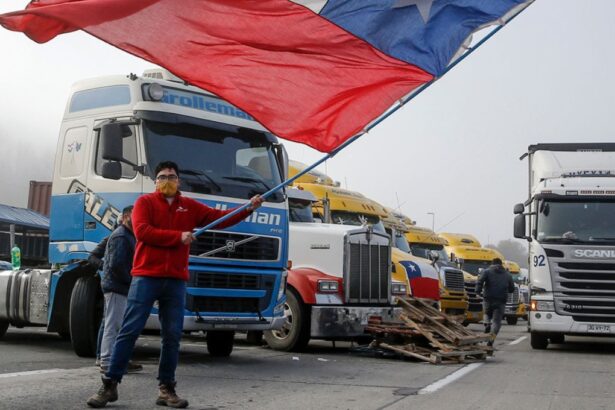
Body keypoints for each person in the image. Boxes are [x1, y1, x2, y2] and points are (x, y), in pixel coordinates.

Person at [87, 161, 263, 409]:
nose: (166, 180)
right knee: (129, 331)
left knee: (172, 336)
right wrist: (178, 237)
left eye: (171, 176)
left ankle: (166, 389)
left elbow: (219, 219)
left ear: (179, 181)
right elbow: (143, 231)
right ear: (155, 181)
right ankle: (109, 385)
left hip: (176, 280)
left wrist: (248, 208)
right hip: (146, 276)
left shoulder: (188, 206)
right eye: (162, 177)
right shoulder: (144, 204)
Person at [98, 206, 143, 374]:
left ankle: (116, 360)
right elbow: (117, 265)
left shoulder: (128, 235)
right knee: (113, 325)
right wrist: (132, 281)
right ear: (125, 217)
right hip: (117, 287)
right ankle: (107, 361)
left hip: (119, 286)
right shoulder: (122, 236)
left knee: (117, 325)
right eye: (135, 214)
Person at [476, 258, 515, 347]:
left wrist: (477, 291)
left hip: (488, 298)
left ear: (492, 263)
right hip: (500, 301)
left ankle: (487, 324)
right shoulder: (507, 275)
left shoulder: (486, 272)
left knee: (486, 313)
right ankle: (491, 340)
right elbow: (512, 289)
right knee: (497, 322)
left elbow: (480, 281)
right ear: (501, 264)